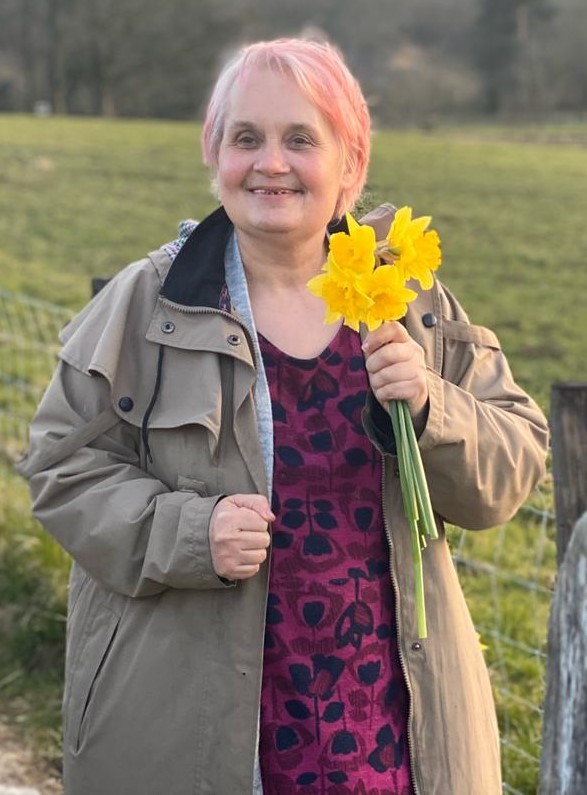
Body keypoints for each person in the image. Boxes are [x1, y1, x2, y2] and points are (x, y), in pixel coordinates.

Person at [17, 37, 549, 795]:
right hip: (200, 732)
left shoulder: (408, 299)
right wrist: (188, 531)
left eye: (300, 139)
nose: (270, 163)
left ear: (349, 166)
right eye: (246, 138)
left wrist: (434, 407)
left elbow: (515, 463)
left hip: (388, 732)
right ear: (215, 155)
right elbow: (60, 466)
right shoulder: (146, 305)